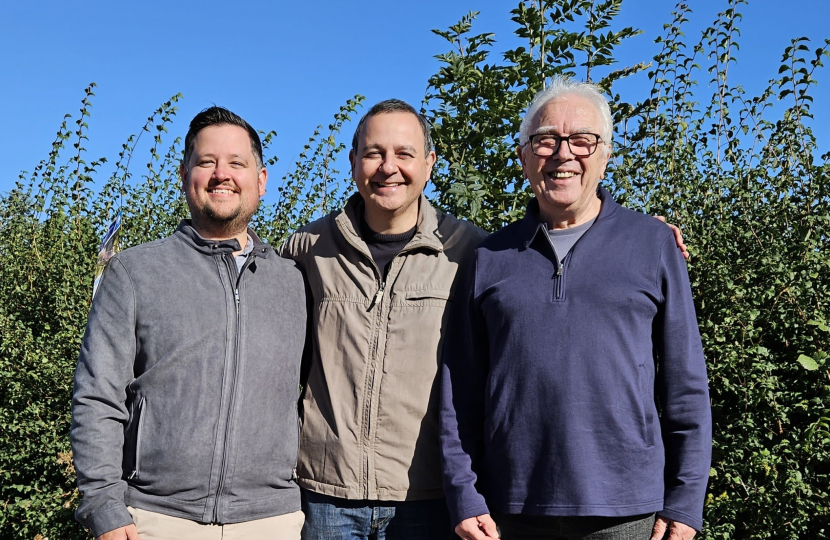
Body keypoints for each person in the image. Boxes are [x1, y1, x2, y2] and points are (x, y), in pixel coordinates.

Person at [440, 76, 712, 540]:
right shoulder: (489, 257)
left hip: (628, 512)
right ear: (524, 157)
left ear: (605, 156)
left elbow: (685, 387)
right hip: (508, 510)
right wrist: (463, 493)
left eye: (583, 140)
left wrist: (685, 502)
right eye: (545, 140)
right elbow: (457, 391)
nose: (564, 153)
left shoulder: (652, 245)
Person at [70, 106, 307, 540]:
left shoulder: (294, 282)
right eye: (206, 162)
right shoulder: (134, 273)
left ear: (261, 180)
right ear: (184, 175)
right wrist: (104, 506)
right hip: (155, 520)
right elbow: (97, 397)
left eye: (237, 163)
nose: (222, 174)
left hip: (273, 522)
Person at [279, 99, 486, 539]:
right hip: (326, 496)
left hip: (428, 495)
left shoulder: (469, 251)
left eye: (404, 154)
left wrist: (643, 239)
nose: (388, 167)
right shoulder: (308, 247)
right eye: (374, 153)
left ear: (429, 164)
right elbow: (244, 272)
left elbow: (544, 266)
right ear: (354, 162)